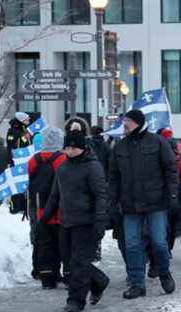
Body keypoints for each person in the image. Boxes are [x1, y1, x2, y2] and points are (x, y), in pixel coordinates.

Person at [109, 109, 178, 299]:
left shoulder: (157, 142)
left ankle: (164, 273)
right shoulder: (119, 147)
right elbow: (113, 177)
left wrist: (172, 196)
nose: (124, 126)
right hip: (129, 206)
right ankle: (137, 284)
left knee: (159, 243)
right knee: (131, 245)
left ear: (137, 123)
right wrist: (111, 202)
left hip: (156, 203)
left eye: (127, 123)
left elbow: (171, 170)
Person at [41, 130, 109, 312]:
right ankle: (99, 281)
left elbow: (101, 195)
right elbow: (55, 195)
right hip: (66, 222)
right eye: (67, 147)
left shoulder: (93, 167)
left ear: (82, 147)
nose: (69, 151)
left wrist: (99, 221)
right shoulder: (63, 168)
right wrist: (44, 218)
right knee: (70, 262)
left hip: (86, 223)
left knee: (79, 263)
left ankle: (75, 301)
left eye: (72, 148)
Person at [29, 127, 69, 289]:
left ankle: (47, 278)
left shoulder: (33, 160)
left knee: (45, 245)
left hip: (41, 210)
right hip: (61, 210)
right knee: (64, 245)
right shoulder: (63, 158)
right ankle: (67, 276)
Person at [6, 112, 32, 213]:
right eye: (26, 120)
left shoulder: (23, 131)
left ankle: (23, 206)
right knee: (16, 185)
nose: (28, 122)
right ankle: (15, 207)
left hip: (24, 162)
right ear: (21, 121)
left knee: (23, 185)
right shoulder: (13, 132)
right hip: (16, 162)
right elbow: (12, 147)